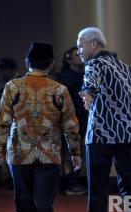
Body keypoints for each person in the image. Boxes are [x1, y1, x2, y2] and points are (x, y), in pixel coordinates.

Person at [0, 43, 81, 212]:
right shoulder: (59, 89)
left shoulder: (12, 87)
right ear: (51, 64)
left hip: (19, 153)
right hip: (48, 153)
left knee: (23, 200)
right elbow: (71, 124)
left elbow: (2, 121)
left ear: (26, 62)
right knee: (44, 203)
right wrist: (75, 153)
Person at [76, 27, 131, 212]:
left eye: (80, 45)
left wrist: (87, 96)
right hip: (126, 136)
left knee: (97, 189)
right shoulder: (125, 67)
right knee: (130, 188)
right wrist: (128, 124)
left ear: (93, 44)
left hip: (100, 135)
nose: (78, 50)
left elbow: (90, 85)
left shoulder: (93, 64)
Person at [56, 47, 87, 196]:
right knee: (70, 152)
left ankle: (74, 181)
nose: (80, 57)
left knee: (78, 151)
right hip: (68, 119)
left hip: (82, 118)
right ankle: (70, 182)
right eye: (76, 55)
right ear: (68, 58)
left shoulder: (82, 74)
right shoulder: (65, 76)